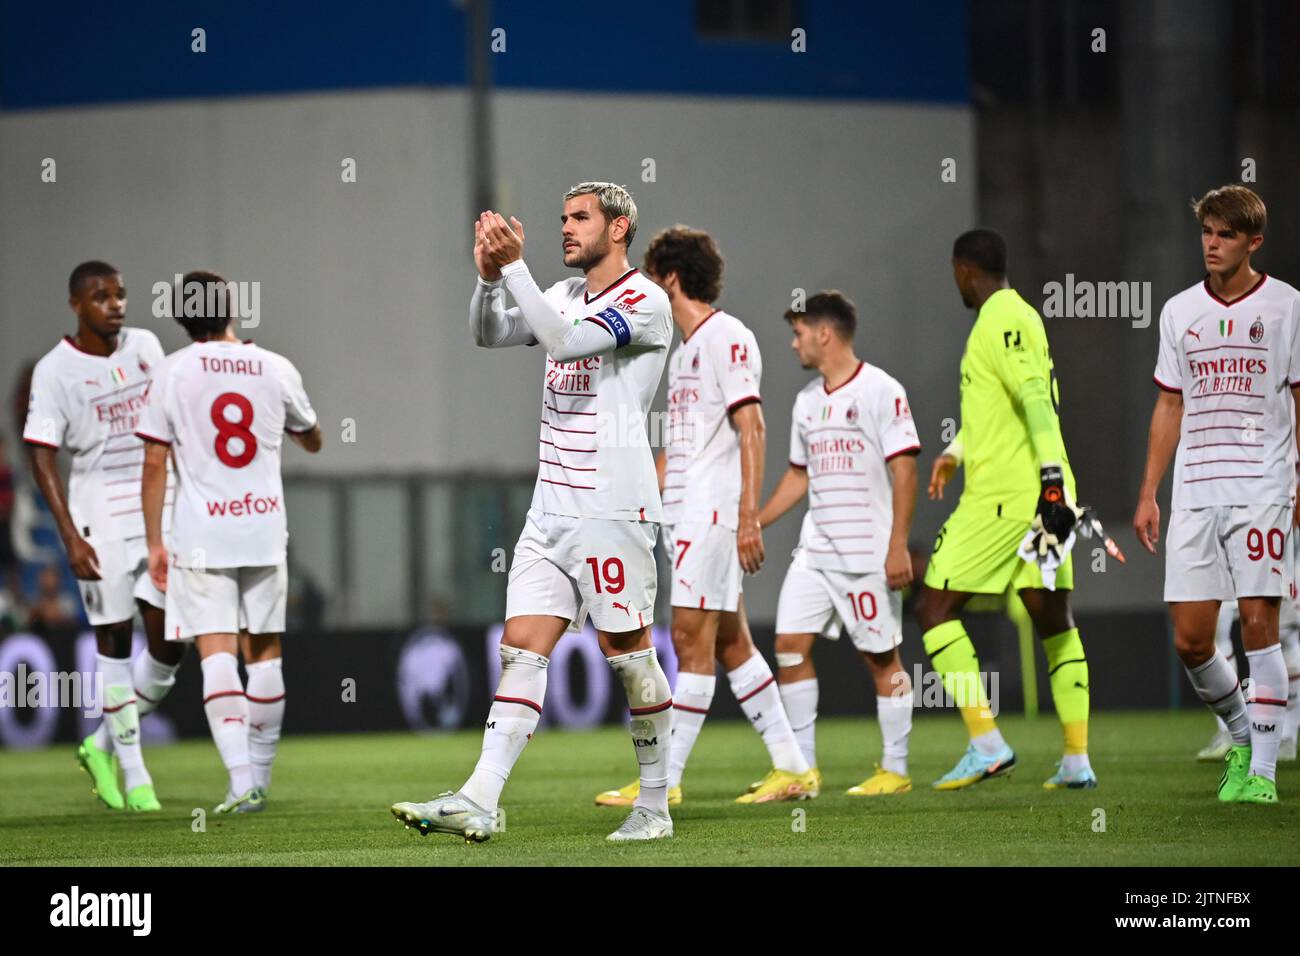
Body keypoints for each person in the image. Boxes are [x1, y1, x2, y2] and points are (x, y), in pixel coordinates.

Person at [391, 182, 674, 842]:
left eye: (581, 219)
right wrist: (489, 280)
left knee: (628, 655)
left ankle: (655, 806)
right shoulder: (564, 294)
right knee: (520, 650)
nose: (567, 229)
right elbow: (491, 334)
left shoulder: (644, 300)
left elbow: (567, 344)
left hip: (612, 507)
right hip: (550, 510)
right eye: (563, 218)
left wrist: (515, 268)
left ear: (620, 228)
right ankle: (480, 798)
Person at [594, 226, 816, 808]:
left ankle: (661, 784)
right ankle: (793, 768)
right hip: (685, 515)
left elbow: (753, 426)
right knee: (731, 645)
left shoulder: (727, 337)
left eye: (649, 277)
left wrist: (748, 517)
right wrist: (629, 496)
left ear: (671, 277)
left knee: (691, 639)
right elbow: (679, 450)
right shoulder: (685, 350)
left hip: (712, 515)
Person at [1134, 185, 1300, 805]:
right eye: (1207, 230)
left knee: (1260, 623)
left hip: (1263, 484)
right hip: (1196, 490)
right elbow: (1169, 403)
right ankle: (1239, 735)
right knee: (1192, 638)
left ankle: (1261, 774)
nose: (1211, 242)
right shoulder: (1179, 311)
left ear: (1253, 242)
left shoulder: (1288, 306)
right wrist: (1150, 491)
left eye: (1225, 233)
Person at [916, 229, 1097, 790]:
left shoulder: (1003, 319)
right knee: (1051, 617)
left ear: (964, 270)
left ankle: (987, 744)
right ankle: (1075, 760)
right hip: (1041, 495)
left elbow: (1035, 401)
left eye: (955, 274)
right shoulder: (1010, 318)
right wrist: (956, 450)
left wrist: (1046, 483)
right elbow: (1002, 407)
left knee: (933, 607)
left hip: (1008, 499)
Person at [138, 270, 322, 813]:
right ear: (233, 310)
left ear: (181, 319)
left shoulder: (170, 374)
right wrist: (301, 430)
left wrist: (154, 541)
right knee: (264, 653)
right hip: (263, 525)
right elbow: (312, 437)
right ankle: (259, 779)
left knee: (215, 651)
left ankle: (242, 782)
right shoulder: (274, 366)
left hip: (201, 532)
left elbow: (153, 463)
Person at [23, 260, 183, 812]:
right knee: (114, 641)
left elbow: (170, 420)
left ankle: (100, 743)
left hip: (155, 505)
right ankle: (136, 775)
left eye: (120, 294)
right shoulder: (54, 370)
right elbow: (41, 454)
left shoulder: (145, 345)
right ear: (76, 305)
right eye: (101, 297)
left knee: (169, 642)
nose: (115, 304)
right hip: (98, 511)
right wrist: (69, 535)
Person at [760, 291, 922, 795]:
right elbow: (797, 476)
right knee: (788, 646)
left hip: (867, 553)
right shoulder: (806, 401)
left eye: (799, 332)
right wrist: (753, 522)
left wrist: (898, 545)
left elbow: (905, 470)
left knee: (881, 659)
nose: (794, 344)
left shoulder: (882, 390)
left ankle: (895, 769)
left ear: (824, 333)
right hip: (815, 553)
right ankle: (802, 771)